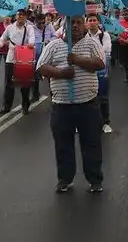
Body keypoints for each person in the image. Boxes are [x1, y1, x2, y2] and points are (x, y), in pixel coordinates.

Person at [36, 15, 106, 194]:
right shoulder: (54, 45)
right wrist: (60, 73)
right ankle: (65, 179)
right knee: (63, 144)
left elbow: (100, 63)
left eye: (78, 22)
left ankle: (95, 179)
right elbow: (41, 67)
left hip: (88, 104)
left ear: (83, 25)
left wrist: (77, 60)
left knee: (91, 143)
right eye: (71, 22)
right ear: (64, 25)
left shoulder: (92, 43)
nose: (75, 26)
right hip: (62, 105)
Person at [0, 9, 37, 115]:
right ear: (16, 17)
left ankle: (25, 106)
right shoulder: (10, 28)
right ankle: (7, 106)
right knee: (9, 83)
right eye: (19, 15)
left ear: (26, 17)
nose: (21, 17)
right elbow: (2, 39)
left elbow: (32, 38)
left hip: (24, 58)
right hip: (11, 58)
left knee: (25, 82)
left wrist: (31, 43)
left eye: (23, 15)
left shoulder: (29, 28)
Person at [85, 13, 113, 133]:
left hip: (102, 70)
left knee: (103, 97)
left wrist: (90, 55)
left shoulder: (104, 36)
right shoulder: (83, 36)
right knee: (87, 96)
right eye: (90, 20)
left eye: (94, 20)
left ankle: (105, 122)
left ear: (98, 22)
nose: (92, 22)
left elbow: (105, 51)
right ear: (86, 23)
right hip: (88, 70)